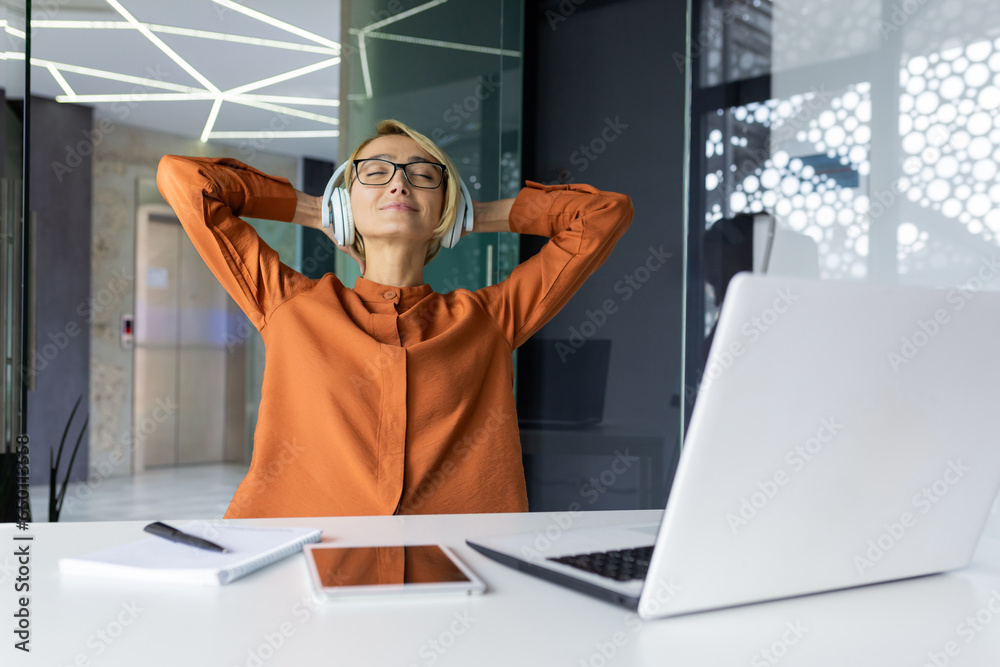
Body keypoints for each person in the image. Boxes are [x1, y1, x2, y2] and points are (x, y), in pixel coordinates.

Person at [156, 119, 633, 519]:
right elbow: (185, 178)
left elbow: (603, 213)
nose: (399, 183)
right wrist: (314, 210)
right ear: (346, 200)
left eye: (423, 174)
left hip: (454, 584)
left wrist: (476, 214)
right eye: (376, 173)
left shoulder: (489, 320)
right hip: (296, 574)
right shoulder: (288, 304)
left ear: (446, 205)